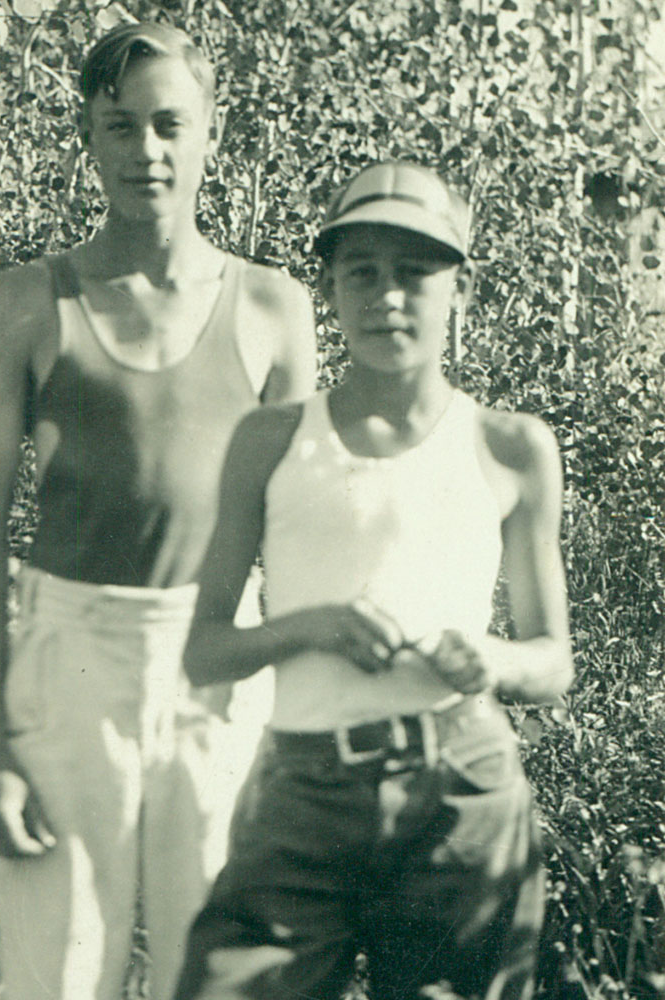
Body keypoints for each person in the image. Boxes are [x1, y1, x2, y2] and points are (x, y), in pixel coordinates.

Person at [0, 21, 316, 1000]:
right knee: (56, 973)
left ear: (209, 132)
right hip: (72, 664)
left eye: (169, 125)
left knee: (221, 976)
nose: (145, 153)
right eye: (119, 127)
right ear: (89, 135)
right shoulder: (29, 301)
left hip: (219, 670)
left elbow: (301, 541)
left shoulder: (272, 306)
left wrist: (296, 739)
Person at [172, 161, 575, 1000]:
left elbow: (551, 660)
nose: (387, 297)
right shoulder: (272, 440)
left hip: (461, 793)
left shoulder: (510, 446)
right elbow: (205, 650)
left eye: (415, 273)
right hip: (303, 793)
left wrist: (491, 661)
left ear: (458, 289)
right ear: (329, 286)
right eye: (363, 272)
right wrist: (310, 625)